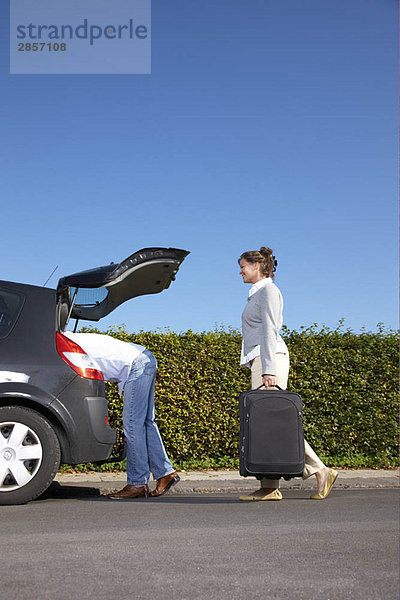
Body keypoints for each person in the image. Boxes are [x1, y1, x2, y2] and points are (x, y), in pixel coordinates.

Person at [237, 247, 338, 501]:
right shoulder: (257, 293)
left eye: (243, 267)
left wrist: (268, 368)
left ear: (257, 267)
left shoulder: (269, 291)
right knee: (268, 423)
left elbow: (271, 330)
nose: (240, 271)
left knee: (273, 422)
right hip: (261, 359)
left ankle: (318, 470)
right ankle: (270, 486)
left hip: (269, 359)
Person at [64, 331, 180, 499]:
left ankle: (137, 483)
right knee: (146, 422)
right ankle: (165, 473)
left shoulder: (67, 345)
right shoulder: (74, 338)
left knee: (133, 424)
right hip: (144, 358)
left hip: (136, 364)